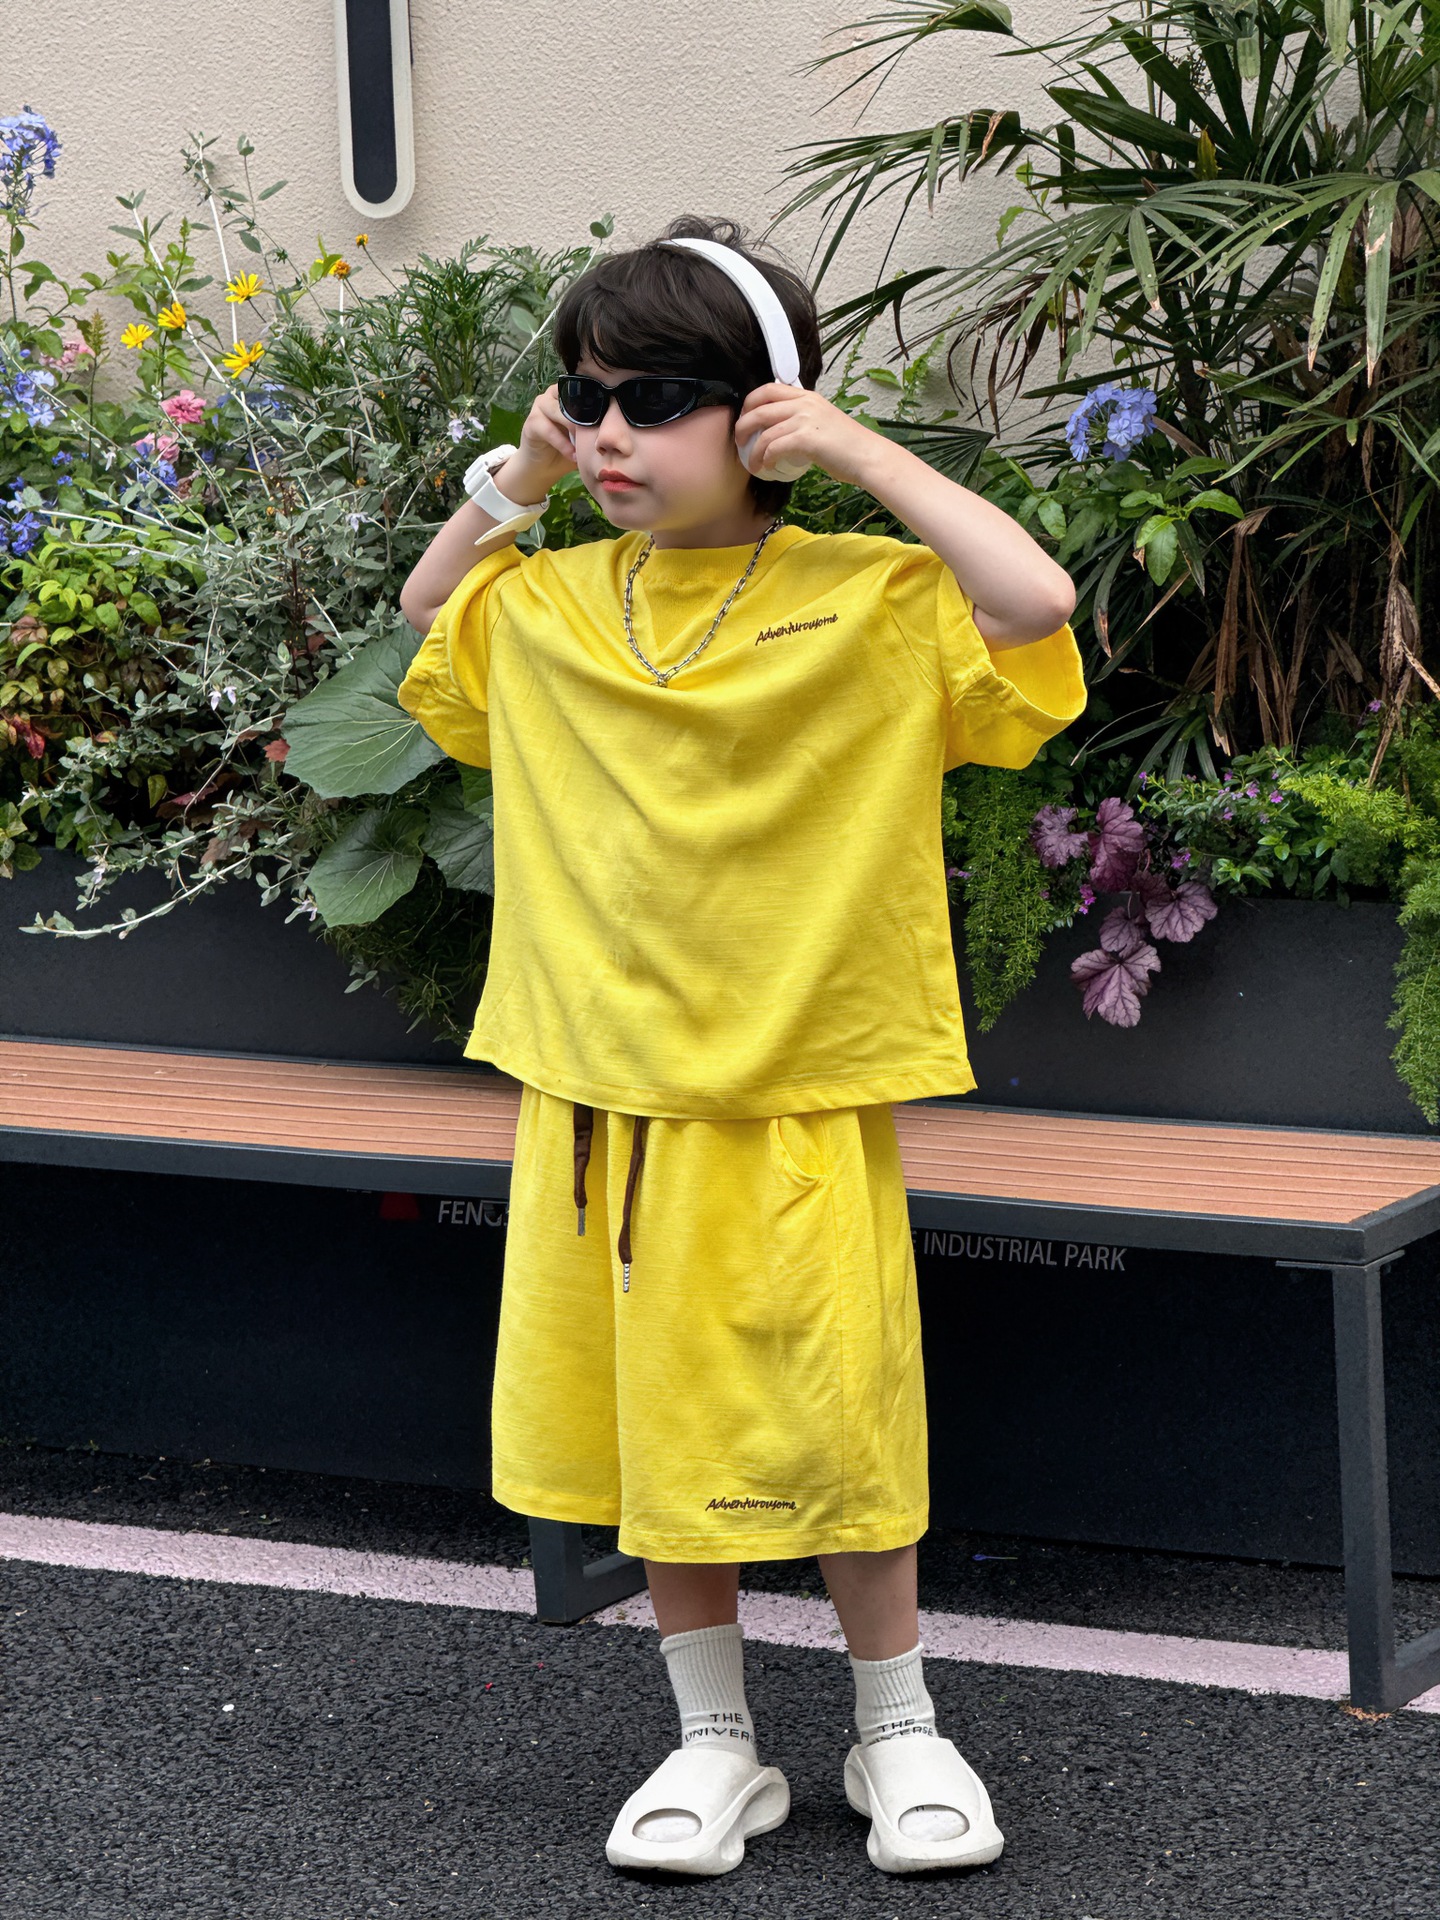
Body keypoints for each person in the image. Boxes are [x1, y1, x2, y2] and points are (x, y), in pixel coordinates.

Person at [395, 214, 1082, 1879]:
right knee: (654, 1435)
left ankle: (898, 1728)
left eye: (655, 399)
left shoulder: (875, 597)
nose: (610, 432)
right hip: (601, 1095)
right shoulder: (547, 603)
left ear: (759, 410)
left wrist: (854, 450)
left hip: (794, 1090)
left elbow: (1036, 599)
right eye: (586, 395)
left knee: (842, 1423)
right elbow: (423, 611)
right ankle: (715, 1743)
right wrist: (516, 481)